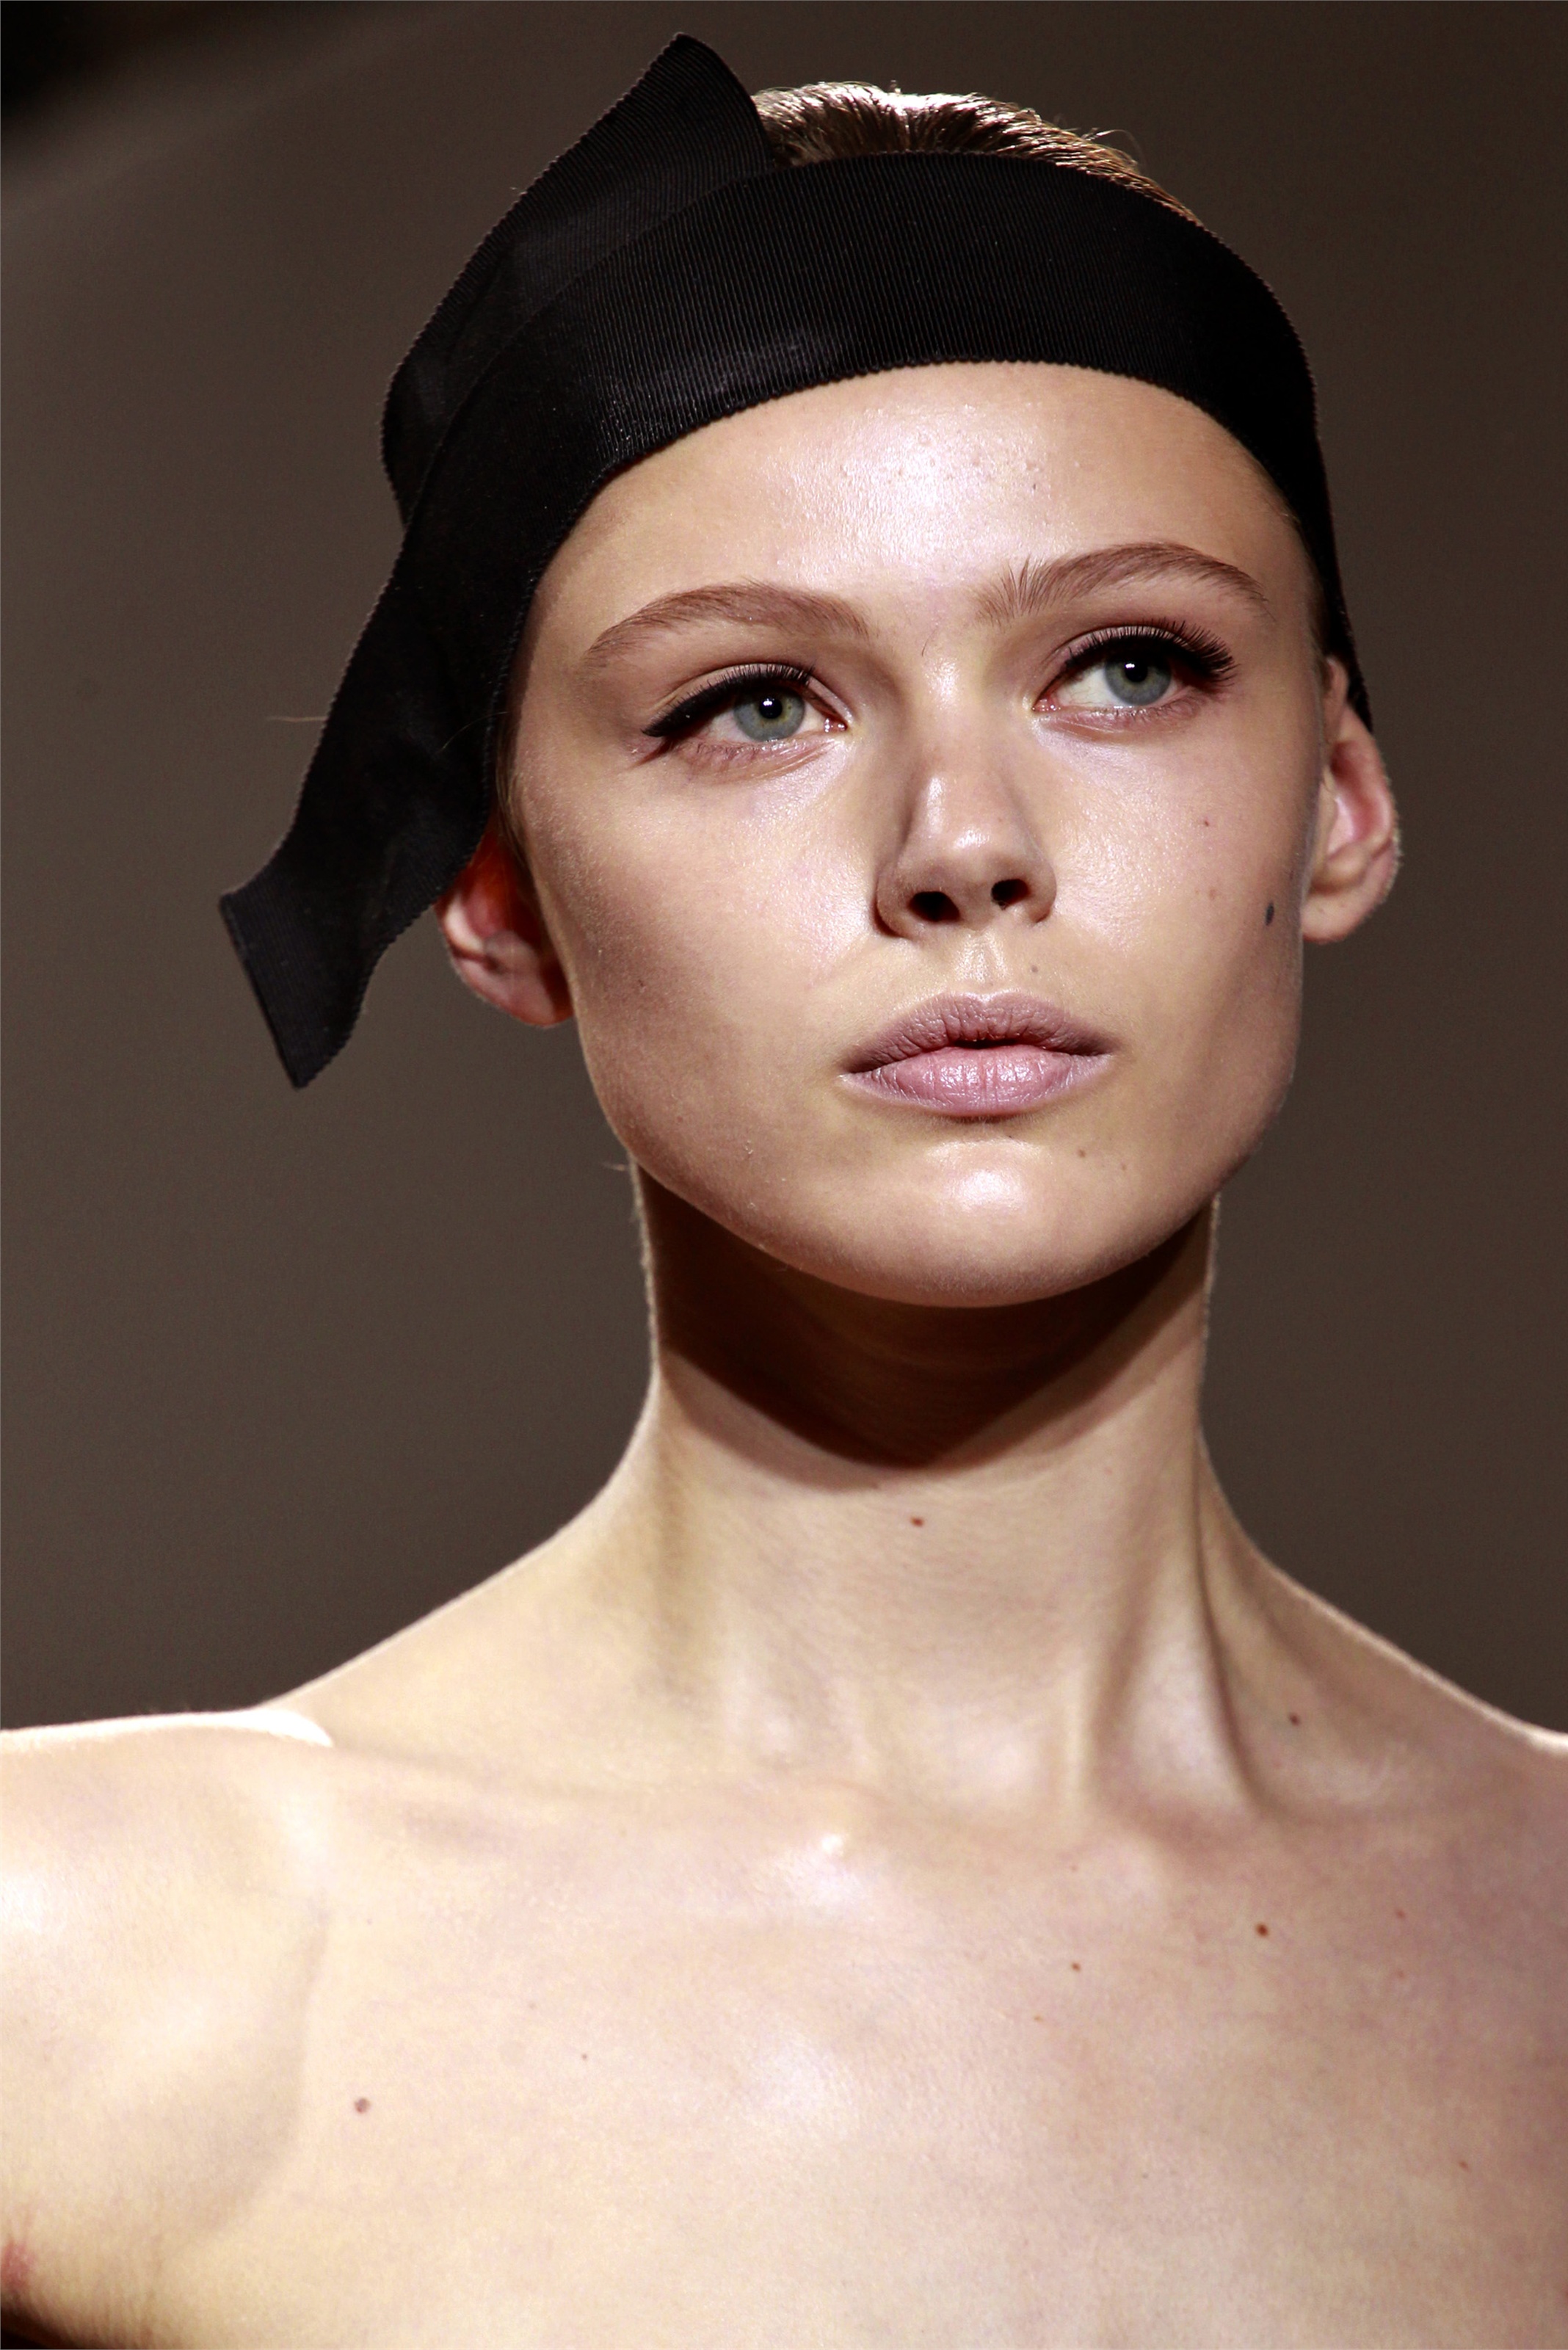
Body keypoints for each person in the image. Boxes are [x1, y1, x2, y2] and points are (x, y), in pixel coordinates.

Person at [3, 38, 1563, 2350]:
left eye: (1127, 666)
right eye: (753, 702)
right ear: (499, 893)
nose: (964, 844)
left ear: (1334, 794)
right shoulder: (74, 1973)